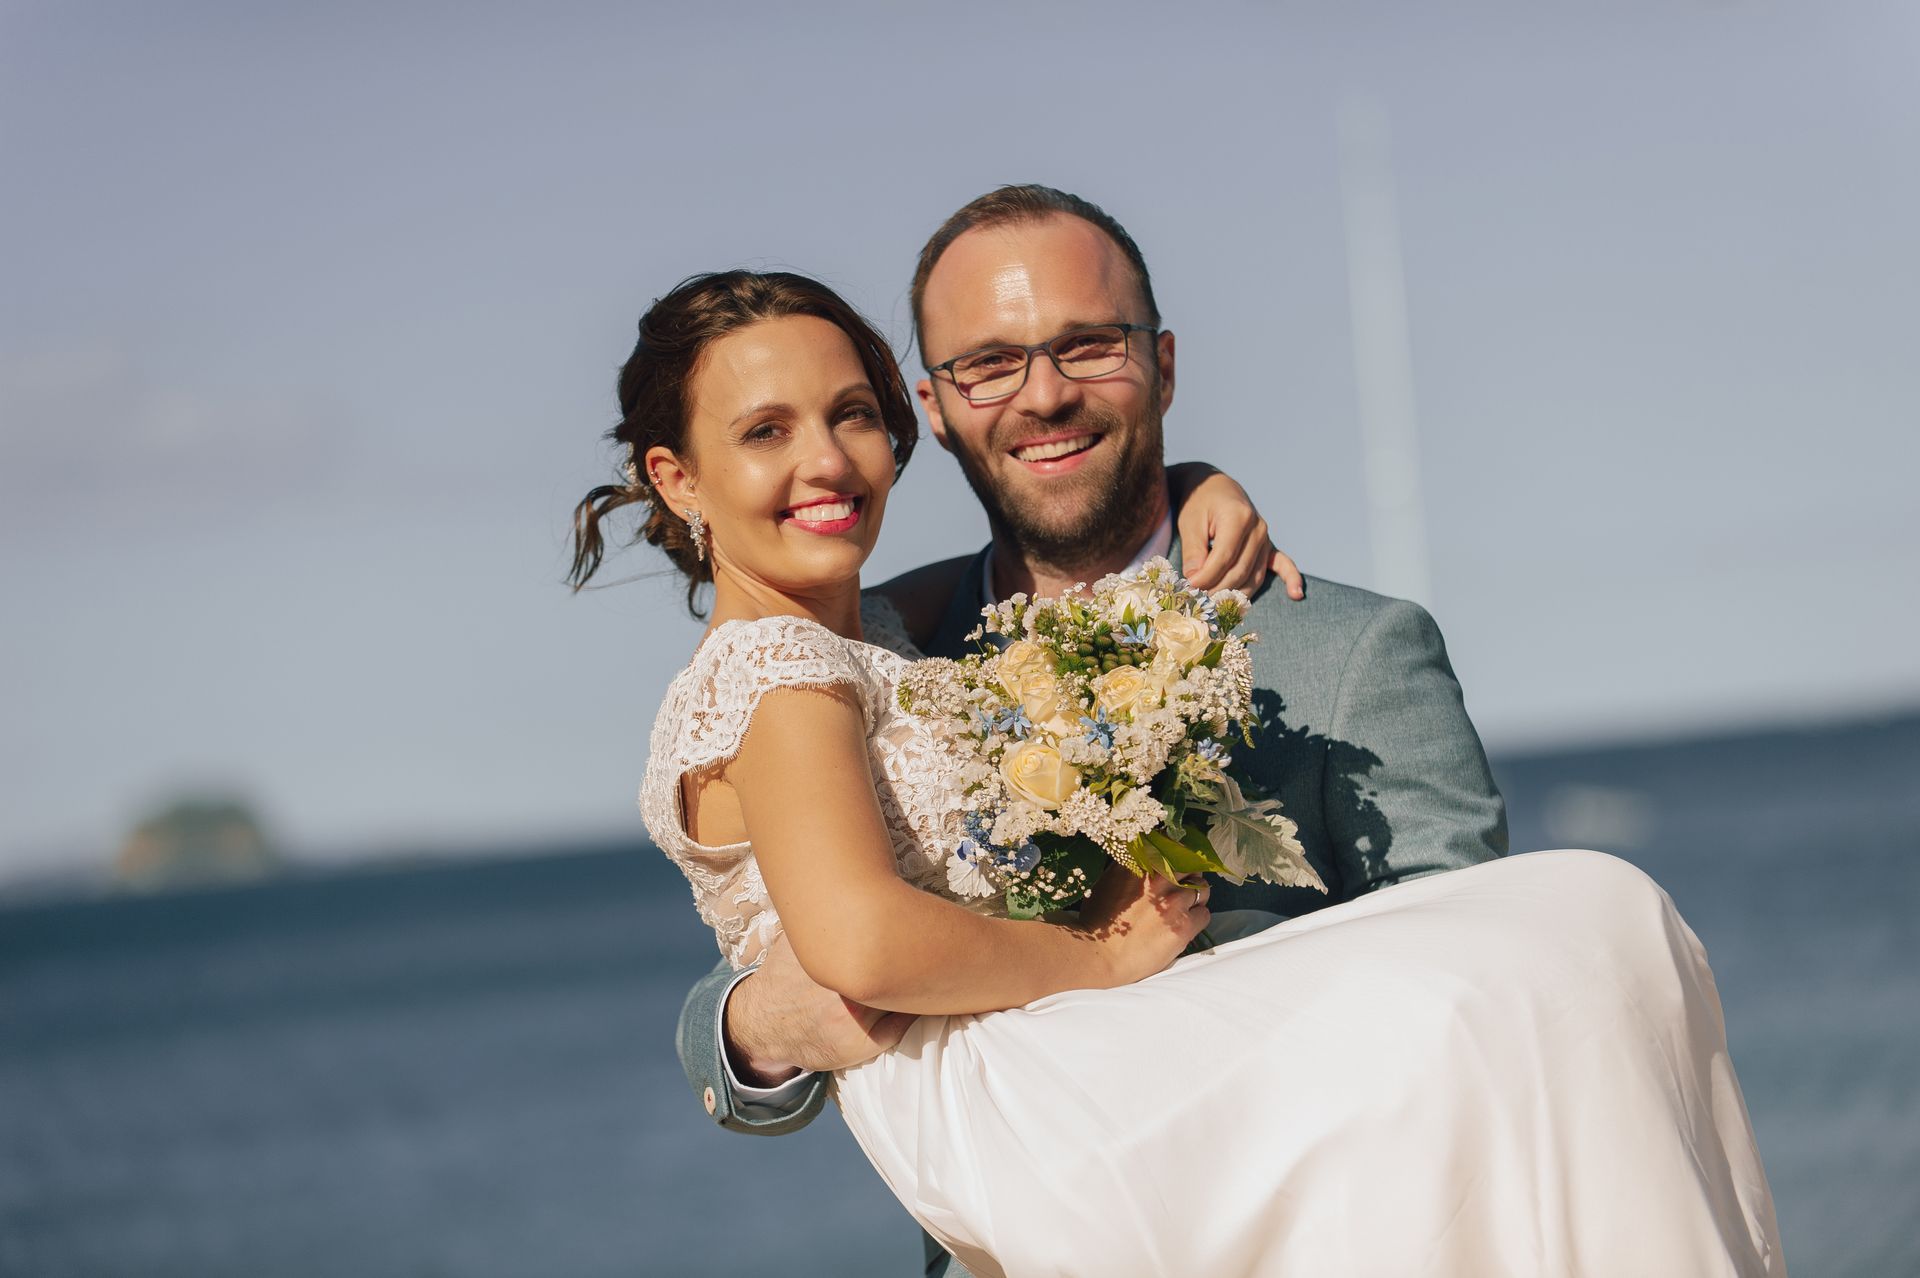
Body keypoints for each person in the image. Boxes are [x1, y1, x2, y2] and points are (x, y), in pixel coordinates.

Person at [588, 200, 1781, 1274]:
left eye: (1088, 348)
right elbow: (805, 943)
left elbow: (1477, 1008)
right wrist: (756, 1027)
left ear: (1160, 366)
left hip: (1349, 1225)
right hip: (1052, 1207)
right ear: (942, 410)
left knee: (1580, 927)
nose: (1044, 395)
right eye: (992, 364)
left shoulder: (1350, 654)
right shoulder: (881, 649)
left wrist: (1196, 487)